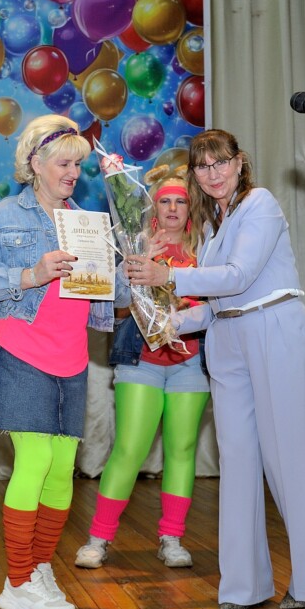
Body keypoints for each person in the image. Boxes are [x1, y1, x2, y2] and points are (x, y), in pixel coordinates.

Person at [125, 128, 305, 609]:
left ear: (240, 163)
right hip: (228, 337)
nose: (213, 173)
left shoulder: (260, 204)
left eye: (221, 162)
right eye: (202, 166)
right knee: (237, 462)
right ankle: (244, 585)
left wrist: (168, 275)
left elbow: (239, 277)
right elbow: (220, 302)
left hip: (273, 328)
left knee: (290, 456)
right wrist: (172, 322)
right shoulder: (213, 227)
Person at [0, 114, 125, 609]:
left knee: (61, 469)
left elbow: (110, 296)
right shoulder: (6, 215)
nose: (73, 173)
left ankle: (38, 566)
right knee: (34, 461)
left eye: (78, 165)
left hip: (71, 358)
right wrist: (30, 273)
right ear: (35, 163)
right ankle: (17, 582)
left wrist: (136, 268)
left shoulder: (88, 222)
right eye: (63, 163)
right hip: (19, 350)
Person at [75, 173, 210, 570]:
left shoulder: (206, 249)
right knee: (129, 449)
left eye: (180, 201)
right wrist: (135, 261)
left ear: (190, 208)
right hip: (141, 361)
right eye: (165, 201)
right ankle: (98, 539)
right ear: (154, 207)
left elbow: (220, 301)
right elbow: (115, 305)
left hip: (191, 364)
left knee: (182, 451)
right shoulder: (135, 244)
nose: (173, 208)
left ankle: (172, 538)